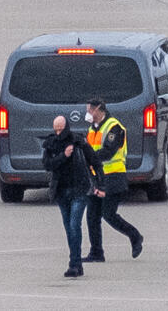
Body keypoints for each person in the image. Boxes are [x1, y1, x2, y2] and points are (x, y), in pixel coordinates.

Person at [42, 115, 104, 277]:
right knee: (69, 228)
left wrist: (99, 184)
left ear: (66, 127)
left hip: (79, 189)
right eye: (55, 130)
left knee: (74, 225)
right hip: (61, 191)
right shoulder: (51, 144)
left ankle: (74, 264)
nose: (58, 133)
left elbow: (95, 162)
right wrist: (64, 155)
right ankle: (76, 263)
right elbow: (48, 165)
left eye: (61, 129)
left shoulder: (78, 142)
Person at [82, 98, 143, 262]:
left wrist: (90, 158)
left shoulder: (114, 128)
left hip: (113, 176)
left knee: (108, 214)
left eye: (90, 110)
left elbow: (109, 152)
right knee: (92, 216)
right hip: (96, 178)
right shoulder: (91, 129)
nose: (88, 113)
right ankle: (96, 252)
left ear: (99, 109)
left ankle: (135, 235)